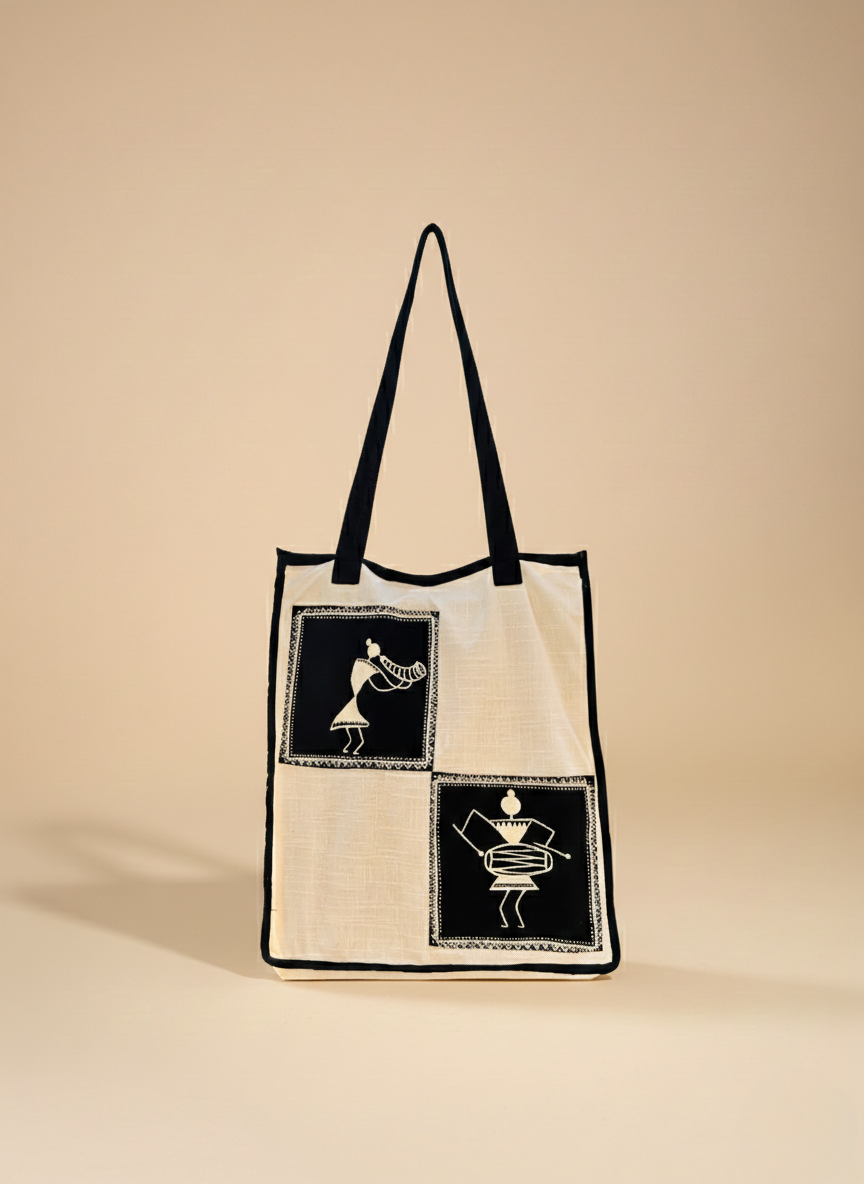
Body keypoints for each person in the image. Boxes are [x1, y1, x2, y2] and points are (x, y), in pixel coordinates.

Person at [330, 638, 426, 754]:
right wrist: (401, 682)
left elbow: (383, 683)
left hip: (358, 700)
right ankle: (356, 741)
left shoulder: (365, 665)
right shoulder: (366, 666)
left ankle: (356, 741)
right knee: (348, 719)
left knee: (349, 720)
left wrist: (402, 682)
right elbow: (382, 684)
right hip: (358, 700)